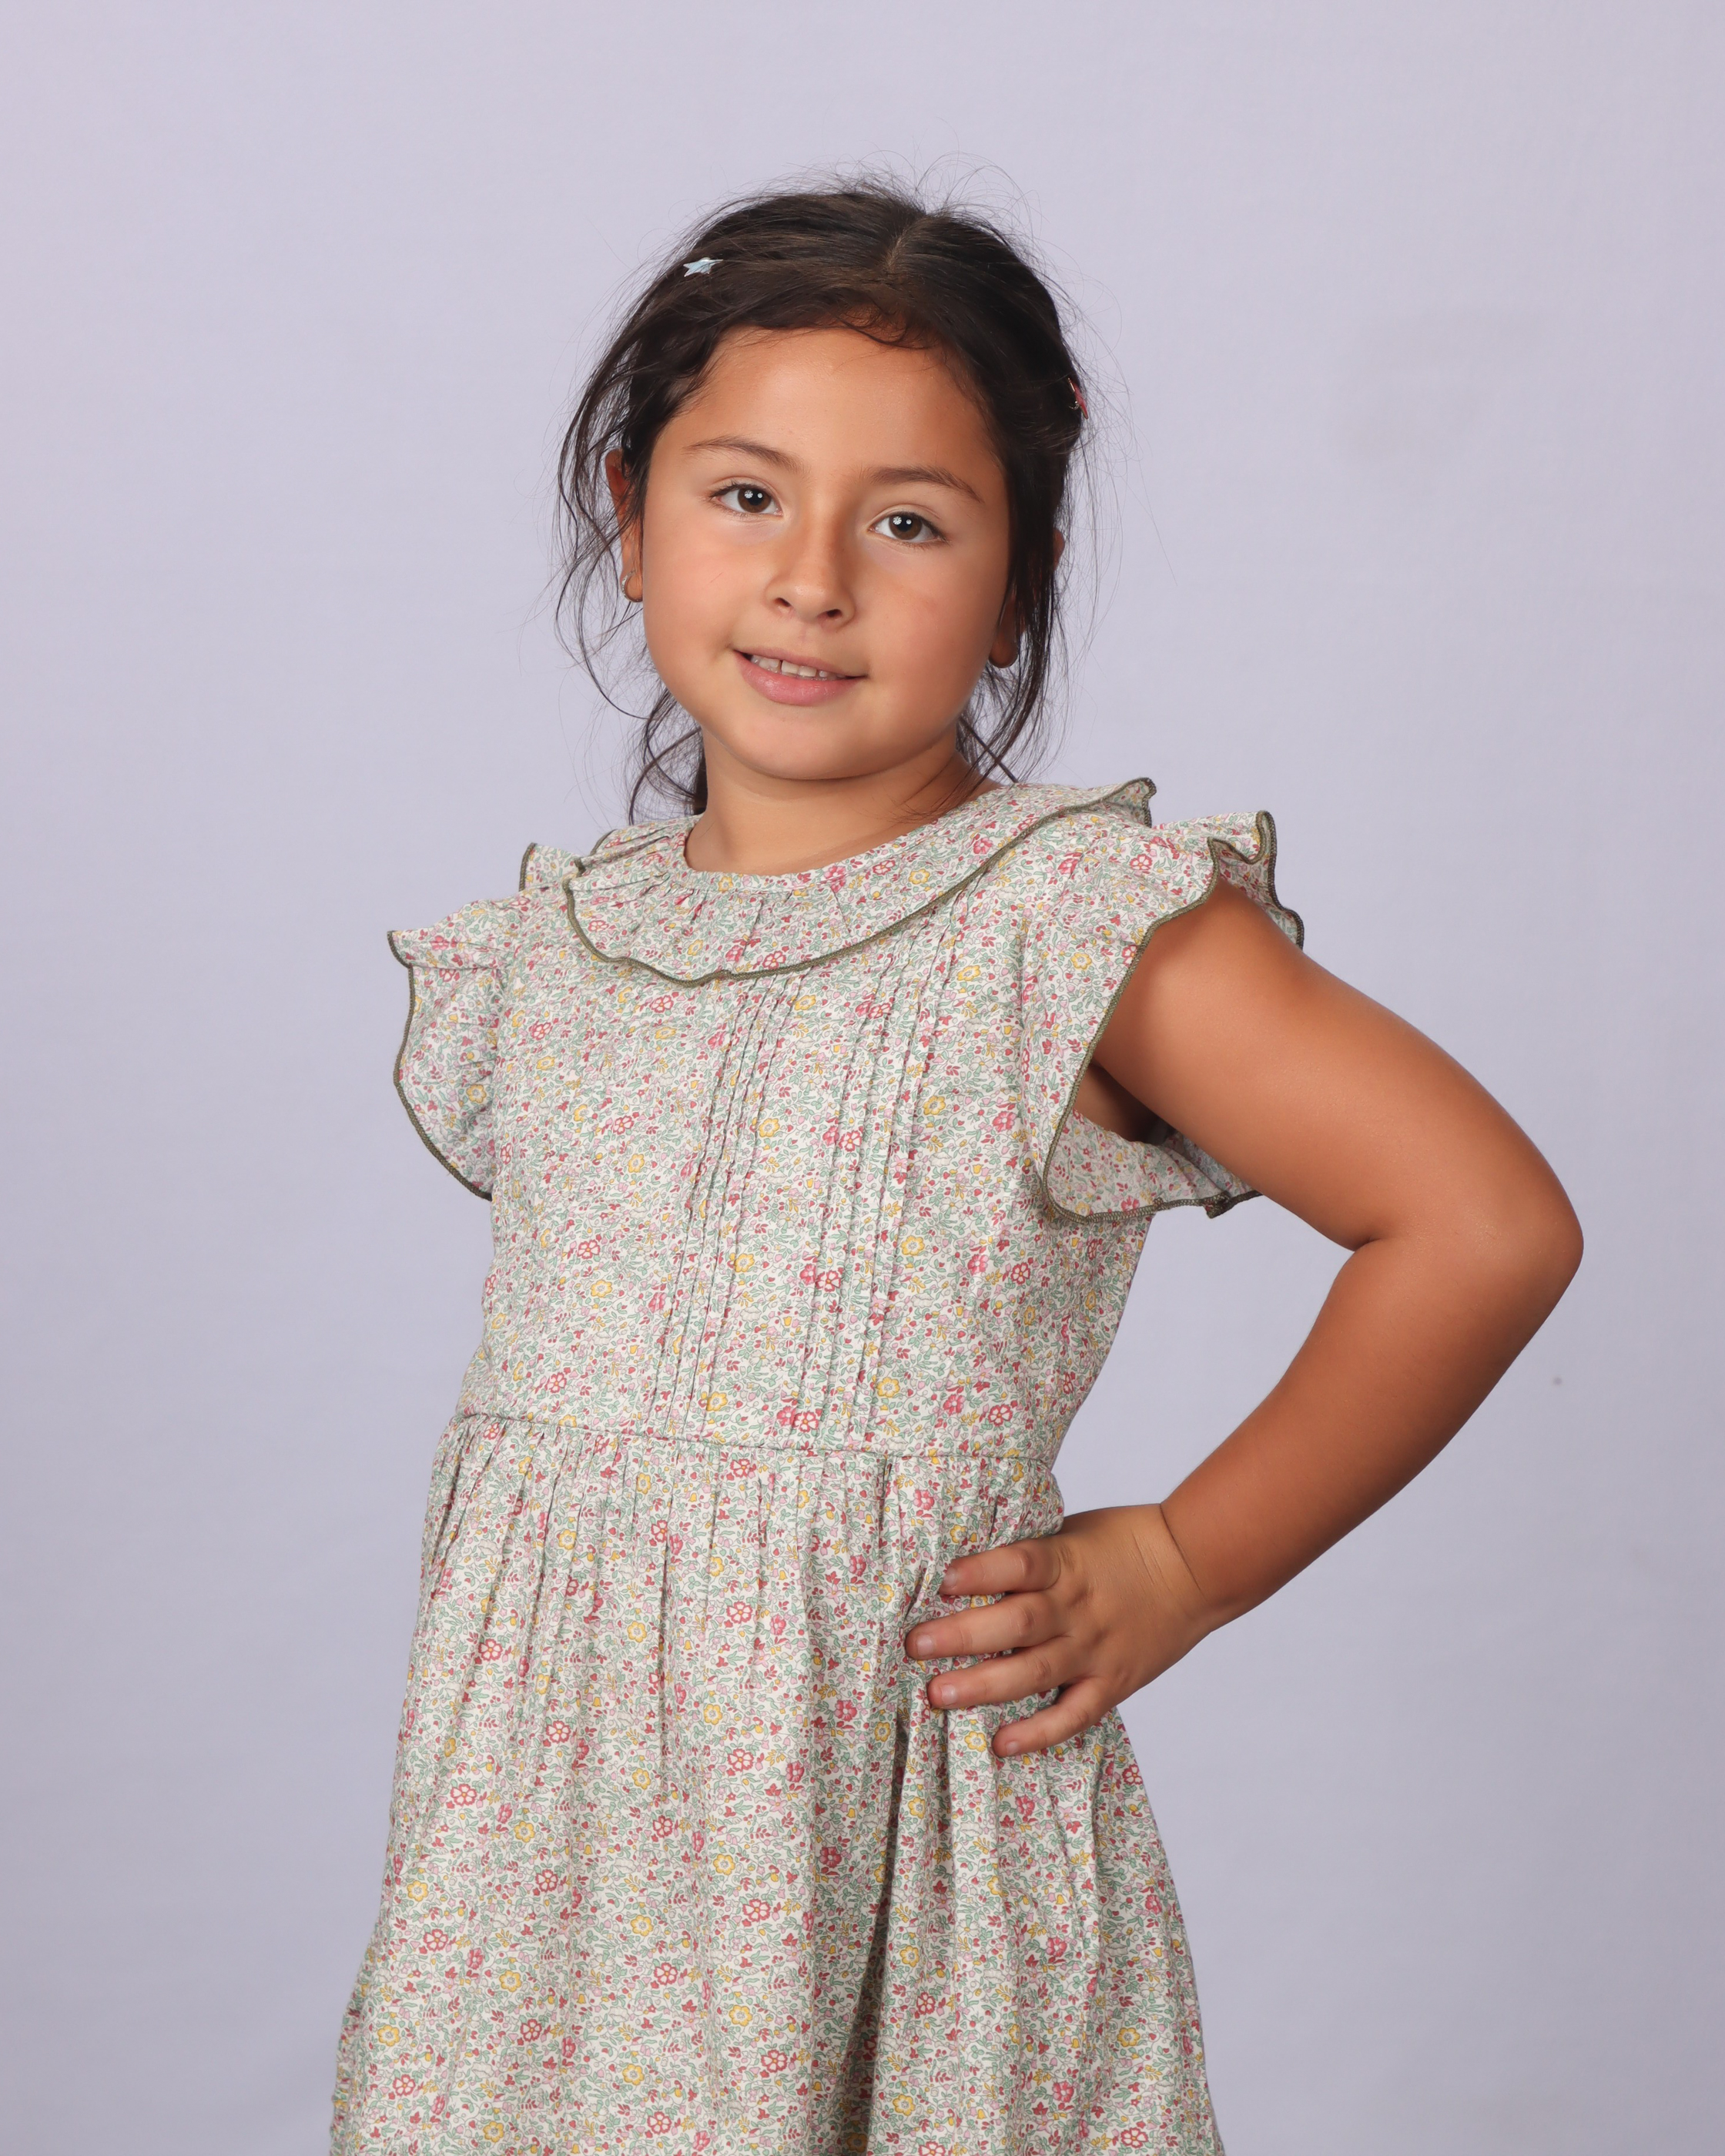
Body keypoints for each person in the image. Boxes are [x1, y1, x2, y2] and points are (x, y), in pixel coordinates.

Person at [331, 178, 1582, 2155]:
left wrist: (1186, 1557)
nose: (810, 578)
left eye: (907, 521)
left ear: (1018, 583)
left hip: (894, 1842)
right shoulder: (558, 949)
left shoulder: (1072, 922)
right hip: (545, 1877)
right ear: (628, 507)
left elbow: (1482, 1222)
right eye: (747, 495)